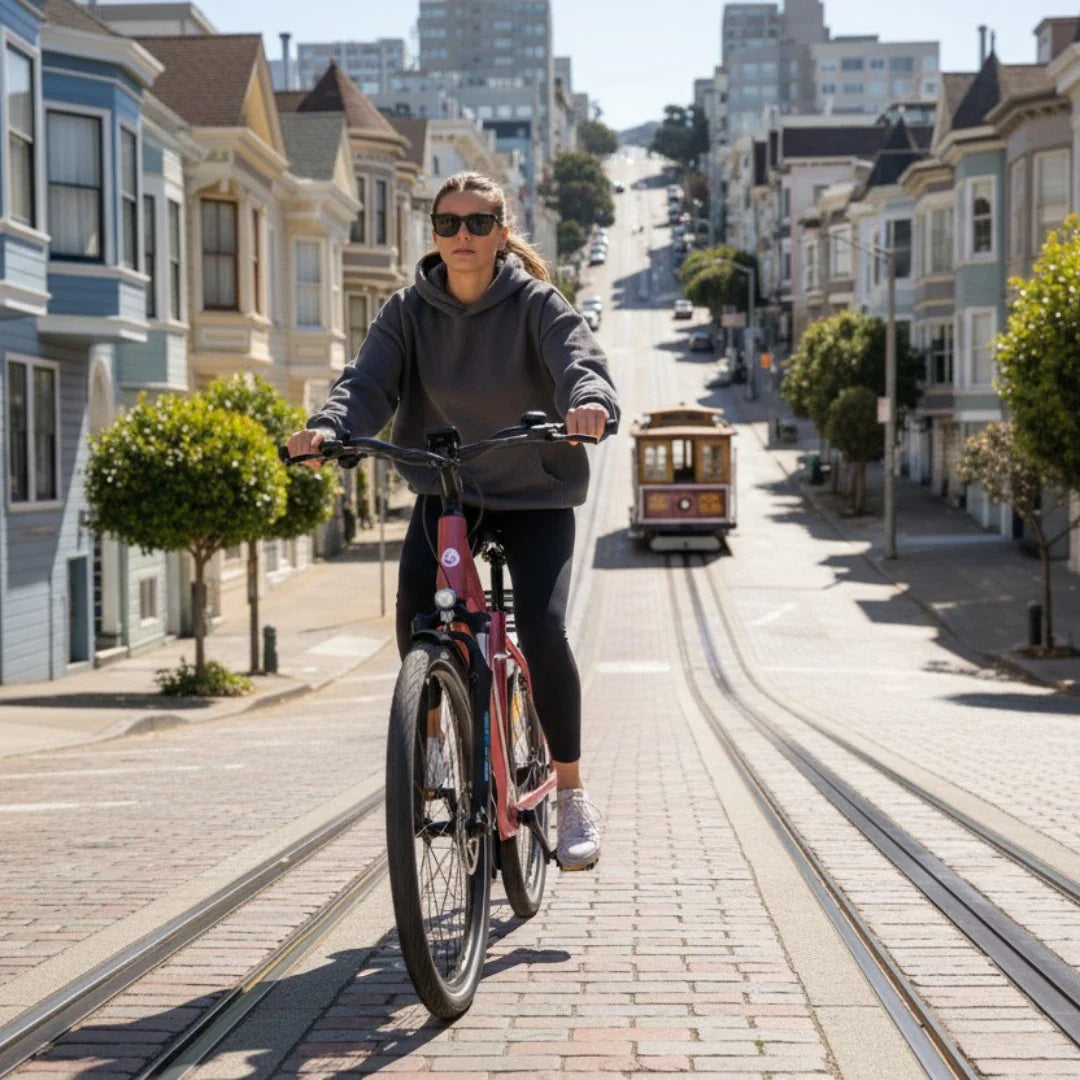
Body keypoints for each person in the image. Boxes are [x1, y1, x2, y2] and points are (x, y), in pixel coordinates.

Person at [287, 171, 620, 871]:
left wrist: (589, 403)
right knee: (420, 619)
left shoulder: (535, 303)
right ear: (432, 233)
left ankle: (568, 789)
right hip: (452, 491)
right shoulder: (408, 310)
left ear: (503, 232)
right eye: (448, 224)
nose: (462, 236)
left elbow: (579, 363)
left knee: (541, 624)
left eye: (478, 223)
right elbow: (367, 384)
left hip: (534, 489)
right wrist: (328, 428)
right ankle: (432, 739)